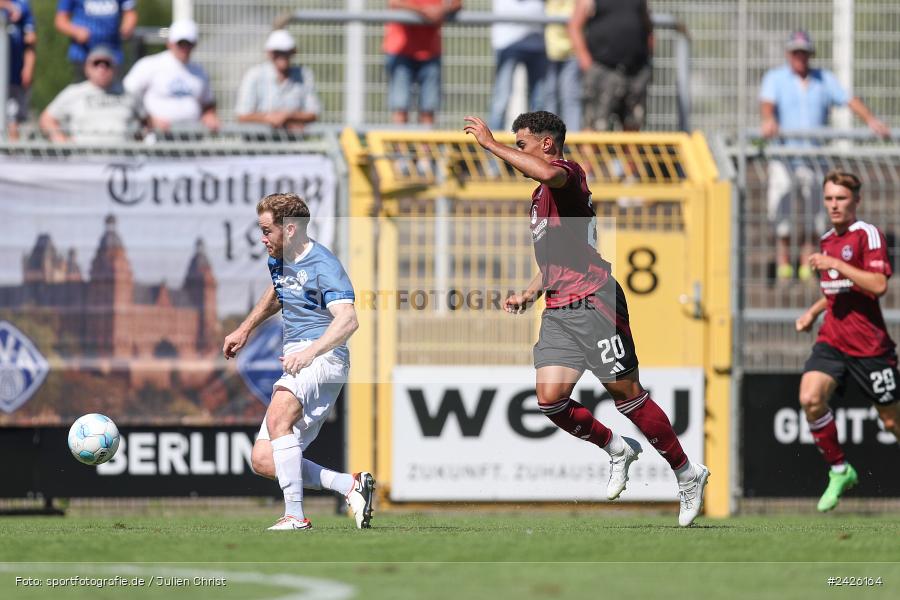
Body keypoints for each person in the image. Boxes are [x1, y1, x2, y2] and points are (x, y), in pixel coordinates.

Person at [463, 111, 709, 526]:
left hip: (595, 300)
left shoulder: (567, 174)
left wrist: (490, 145)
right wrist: (530, 292)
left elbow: (548, 173)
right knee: (550, 399)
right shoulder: (540, 196)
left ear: (546, 144)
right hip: (560, 307)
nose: (516, 153)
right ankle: (617, 448)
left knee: (627, 396)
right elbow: (559, 258)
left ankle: (687, 473)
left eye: (521, 144)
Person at [223, 192, 375, 531]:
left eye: (267, 231)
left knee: (279, 416)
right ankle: (350, 485)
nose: (263, 239)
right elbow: (278, 292)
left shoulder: (323, 265)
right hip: (300, 356)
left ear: (289, 229)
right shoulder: (280, 259)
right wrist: (245, 329)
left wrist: (310, 352)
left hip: (323, 355)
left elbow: (348, 319)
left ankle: (295, 516)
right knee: (264, 460)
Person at [795, 170, 899, 512]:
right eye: (829, 199)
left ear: (856, 200)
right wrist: (813, 313)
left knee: (891, 422)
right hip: (833, 340)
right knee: (810, 398)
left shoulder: (867, 235)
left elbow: (878, 285)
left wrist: (836, 263)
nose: (834, 205)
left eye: (841, 198)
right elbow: (836, 291)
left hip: (870, 347)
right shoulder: (827, 239)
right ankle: (840, 470)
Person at [760, 30, 890, 283]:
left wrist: (871, 120)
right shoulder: (775, 78)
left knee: (816, 214)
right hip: (784, 159)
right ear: (788, 54)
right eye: (796, 52)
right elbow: (767, 105)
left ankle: (807, 262)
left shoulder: (824, 79)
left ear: (810, 54)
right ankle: (784, 263)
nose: (800, 57)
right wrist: (768, 120)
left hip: (814, 158)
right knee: (781, 213)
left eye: (804, 52)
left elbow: (848, 99)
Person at [568, 0, 653, 131]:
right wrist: (586, 61)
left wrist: (647, 58)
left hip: (635, 71)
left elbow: (647, 25)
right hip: (603, 69)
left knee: (633, 128)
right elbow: (574, 27)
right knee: (594, 127)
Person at [123, 19, 219, 132]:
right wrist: (148, 119)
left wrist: (209, 115)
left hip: (192, 136)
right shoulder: (150, 65)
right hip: (157, 135)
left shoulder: (199, 71)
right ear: (170, 43)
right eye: (180, 43)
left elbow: (208, 103)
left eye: (188, 44)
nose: (184, 48)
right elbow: (129, 92)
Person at [40, 46, 143, 143]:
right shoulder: (73, 92)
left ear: (115, 68)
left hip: (122, 154)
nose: (102, 68)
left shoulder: (127, 93)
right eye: (96, 63)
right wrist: (62, 141)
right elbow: (47, 119)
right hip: (84, 154)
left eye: (107, 64)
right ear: (87, 68)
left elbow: (146, 121)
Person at [383, 0, 462, 125]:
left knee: (429, 109)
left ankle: (426, 138)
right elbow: (394, 2)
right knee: (400, 107)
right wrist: (423, 11)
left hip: (430, 52)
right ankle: (399, 138)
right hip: (400, 50)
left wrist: (442, 10)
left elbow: (457, 3)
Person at [235, 30, 321, 131]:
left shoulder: (304, 75)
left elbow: (314, 113)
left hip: (292, 140)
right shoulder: (254, 75)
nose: (282, 56)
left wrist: (288, 116)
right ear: (269, 53)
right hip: (258, 139)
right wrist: (269, 118)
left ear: (293, 52)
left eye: (286, 52)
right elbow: (242, 115)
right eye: (278, 52)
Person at [487, 0, 548, 131]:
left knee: (539, 100)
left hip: (536, 42)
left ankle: (537, 141)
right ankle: (491, 140)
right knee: (501, 98)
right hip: (507, 42)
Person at [55, 0, 137, 80]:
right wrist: (76, 31)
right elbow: (61, 20)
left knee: (115, 87)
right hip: (83, 53)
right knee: (84, 87)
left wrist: (127, 27)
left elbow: (129, 13)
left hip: (113, 53)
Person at [543, 0, 580, 131]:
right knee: (549, 96)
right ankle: (549, 136)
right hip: (549, 50)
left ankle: (573, 138)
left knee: (570, 96)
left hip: (572, 51)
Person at [2, 0, 35, 141]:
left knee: (13, 117)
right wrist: (8, 6)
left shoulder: (23, 5)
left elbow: (30, 41)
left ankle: (12, 152)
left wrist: (28, 68)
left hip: (13, 76)